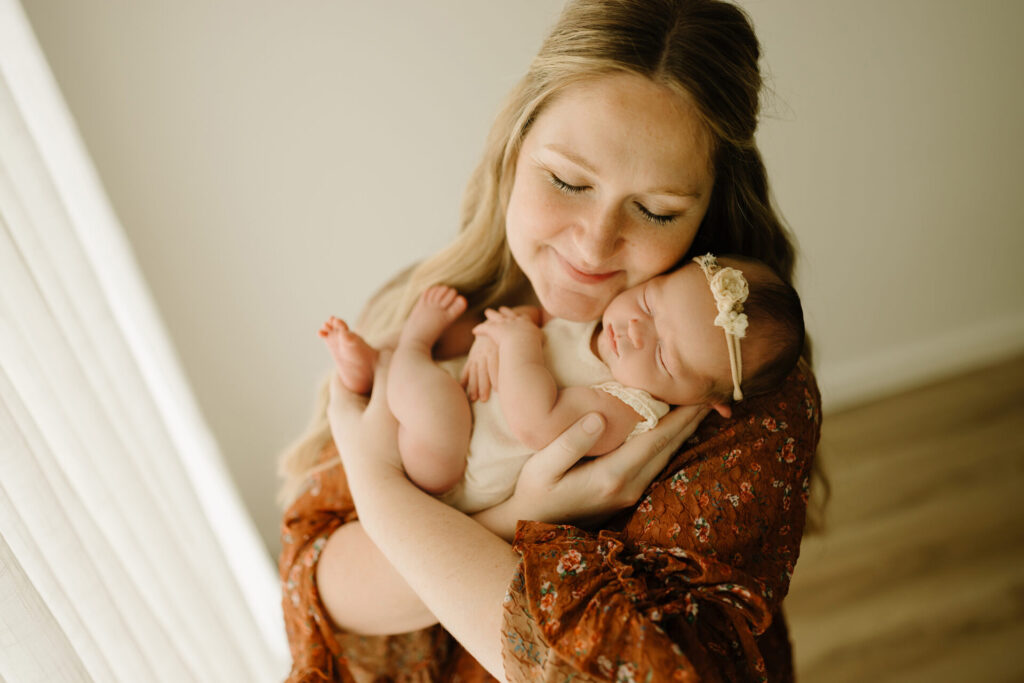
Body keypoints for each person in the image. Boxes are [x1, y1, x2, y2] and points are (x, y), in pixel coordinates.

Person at [278, 0, 823, 680]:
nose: (593, 245)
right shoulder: (435, 302)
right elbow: (320, 588)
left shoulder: (740, 385)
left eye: (656, 211)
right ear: (514, 151)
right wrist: (517, 513)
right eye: (568, 180)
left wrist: (377, 478)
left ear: (708, 207)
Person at [318, 254, 803, 515]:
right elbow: (538, 320)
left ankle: (406, 348)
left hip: (451, 467)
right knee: (451, 356)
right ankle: (368, 372)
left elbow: (537, 423)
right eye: (650, 304)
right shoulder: (601, 320)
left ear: (702, 401)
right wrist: (501, 331)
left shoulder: (631, 407)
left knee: (437, 408)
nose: (635, 330)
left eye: (662, 355)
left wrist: (516, 342)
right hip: (460, 388)